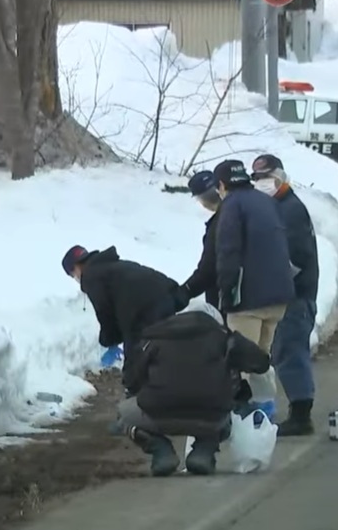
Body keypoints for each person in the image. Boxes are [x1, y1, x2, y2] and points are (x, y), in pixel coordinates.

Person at [116, 308, 272, 476]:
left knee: (123, 414)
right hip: (212, 418)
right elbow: (261, 363)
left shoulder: (155, 339)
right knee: (230, 411)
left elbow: (132, 380)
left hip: (158, 415)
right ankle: (203, 451)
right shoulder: (224, 338)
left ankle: (161, 451)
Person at [250, 154, 319, 437]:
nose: (263, 184)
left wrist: (273, 282)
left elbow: (296, 256)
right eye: (257, 179)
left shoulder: (289, 210)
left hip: (295, 295)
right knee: (284, 351)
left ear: (281, 177)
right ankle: (298, 410)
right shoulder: (276, 207)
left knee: (290, 352)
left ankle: (301, 414)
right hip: (287, 293)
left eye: (268, 178)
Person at [62, 245, 188, 388]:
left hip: (141, 315)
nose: (76, 279)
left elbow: (105, 314)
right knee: (162, 356)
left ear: (76, 268)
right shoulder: (114, 266)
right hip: (165, 302)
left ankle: (140, 402)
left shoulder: (92, 277)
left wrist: (108, 340)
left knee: (134, 372)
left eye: (73, 275)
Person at [212, 159, 295, 350]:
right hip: (278, 297)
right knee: (261, 363)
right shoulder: (267, 201)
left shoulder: (232, 206)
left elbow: (228, 253)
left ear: (222, 185)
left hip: (248, 302)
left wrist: (226, 296)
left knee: (243, 365)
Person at [179, 170, 222, 311]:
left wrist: (185, 291)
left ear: (202, 200)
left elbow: (208, 269)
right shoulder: (246, 210)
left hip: (232, 300)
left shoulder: (220, 223)